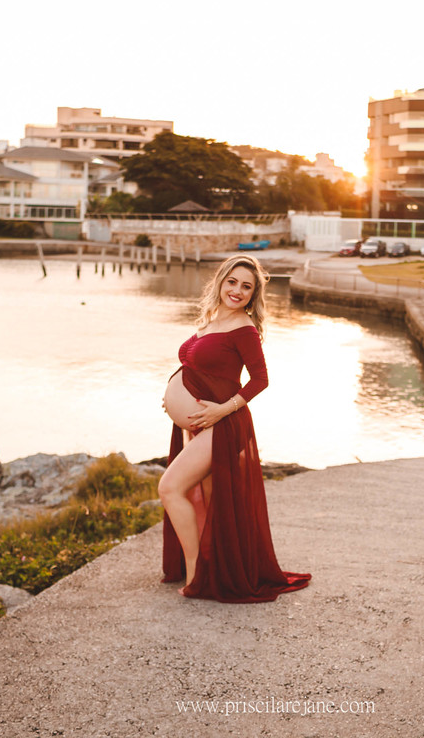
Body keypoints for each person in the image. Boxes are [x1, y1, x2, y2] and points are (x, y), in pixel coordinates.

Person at [158, 255, 311, 603]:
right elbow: (197, 372)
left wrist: (220, 412)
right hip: (200, 425)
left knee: (170, 488)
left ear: (253, 295)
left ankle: (197, 572)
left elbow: (260, 380)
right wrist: (174, 401)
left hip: (224, 425)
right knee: (212, 502)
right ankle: (215, 567)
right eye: (233, 282)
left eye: (246, 287)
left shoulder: (244, 329)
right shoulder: (211, 321)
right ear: (221, 281)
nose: (237, 291)